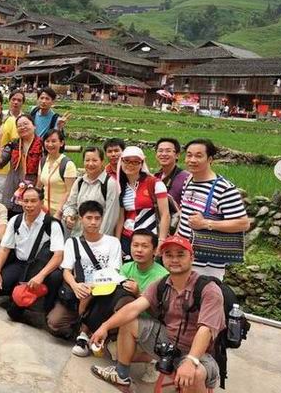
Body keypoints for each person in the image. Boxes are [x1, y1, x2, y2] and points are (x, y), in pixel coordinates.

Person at [90, 235, 225, 392]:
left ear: (192, 258)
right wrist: (105, 326)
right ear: (163, 258)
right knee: (128, 321)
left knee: (195, 373)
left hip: (201, 352)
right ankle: (122, 375)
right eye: (169, 255)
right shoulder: (162, 284)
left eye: (180, 255)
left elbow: (206, 329)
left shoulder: (208, 290)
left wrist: (191, 360)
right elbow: (133, 308)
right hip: (168, 340)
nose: (174, 259)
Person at [47, 200, 123, 346]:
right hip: (79, 290)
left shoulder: (113, 242)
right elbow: (66, 271)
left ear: (102, 219)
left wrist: (93, 286)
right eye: (89, 218)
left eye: (97, 218)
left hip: (102, 292)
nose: (93, 222)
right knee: (54, 323)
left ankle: (87, 330)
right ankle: (81, 326)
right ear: (81, 219)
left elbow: (114, 271)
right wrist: (75, 286)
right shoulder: (72, 242)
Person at [0, 185, 64, 321]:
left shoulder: (52, 224)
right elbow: (5, 248)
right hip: (19, 263)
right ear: (21, 202)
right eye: (26, 201)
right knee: (0, 285)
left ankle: (43, 306)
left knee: (55, 276)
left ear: (41, 202)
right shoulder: (16, 220)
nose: (29, 205)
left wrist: (41, 276)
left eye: (33, 201)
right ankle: (17, 293)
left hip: (39, 266)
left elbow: (58, 255)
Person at [179, 139, 250, 280]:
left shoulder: (224, 189)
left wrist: (205, 223)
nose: (192, 160)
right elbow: (184, 218)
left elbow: (243, 224)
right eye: (189, 155)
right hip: (183, 257)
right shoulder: (188, 181)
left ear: (210, 159)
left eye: (199, 156)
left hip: (206, 264)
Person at [116, 146, 170, 258]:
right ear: (121, 162)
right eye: (126, 161)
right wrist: (117, 243)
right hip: (127, 238)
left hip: (149, 238)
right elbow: (121, 218)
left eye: (135, 162)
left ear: (141, 164)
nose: (130, 165)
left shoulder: (154, 183)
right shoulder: (121, 186)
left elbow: (165, 214)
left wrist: (161, 241)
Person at [62, 147, 119, 237]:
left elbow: (110, 218)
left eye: (94, 160)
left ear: (102, 161)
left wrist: (98, 239)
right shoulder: (79, 182)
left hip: (99, 237)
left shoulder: (110, 184)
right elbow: (70, 205)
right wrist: (69, 215)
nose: (90, 164)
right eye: (87, 160)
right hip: (78, 235)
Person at [0, 115, 44, 214]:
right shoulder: (14, 144)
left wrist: (37, 189)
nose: (22, 127)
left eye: (25, 124)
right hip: (13, 190)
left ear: (34, 126)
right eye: (19, 125)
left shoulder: (43, 146)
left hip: (33, 190)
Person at [37, 129, 76, 219]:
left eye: (54, 141)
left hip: (60, 214)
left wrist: (58, 213)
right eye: (47, 141)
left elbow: (69, 191)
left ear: (61, 143)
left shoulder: (68, 164)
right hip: (44, 211)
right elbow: (39, 186)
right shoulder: (43, 161)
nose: (50, 144)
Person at [154, 137, 191, 220]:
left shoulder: (186, 178)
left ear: (177, 155)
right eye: (160, 151)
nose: (163, 154)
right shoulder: (155, 176)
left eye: (168, 151)